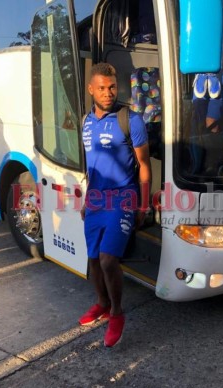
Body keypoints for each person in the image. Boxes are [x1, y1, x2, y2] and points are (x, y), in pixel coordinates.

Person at [79, 63, 151, 347]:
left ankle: (117, 313)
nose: (108, 93)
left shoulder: (129, 119)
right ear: (91, 89)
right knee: (94, 259)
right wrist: (87, 200)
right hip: (96, 200)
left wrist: (142, 206)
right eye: (101, 88)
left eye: (112, 87)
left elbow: (144, 165)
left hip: (123, 198)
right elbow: (92, 166)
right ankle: (102, 304)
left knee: (109, 260)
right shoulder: (86, 121)